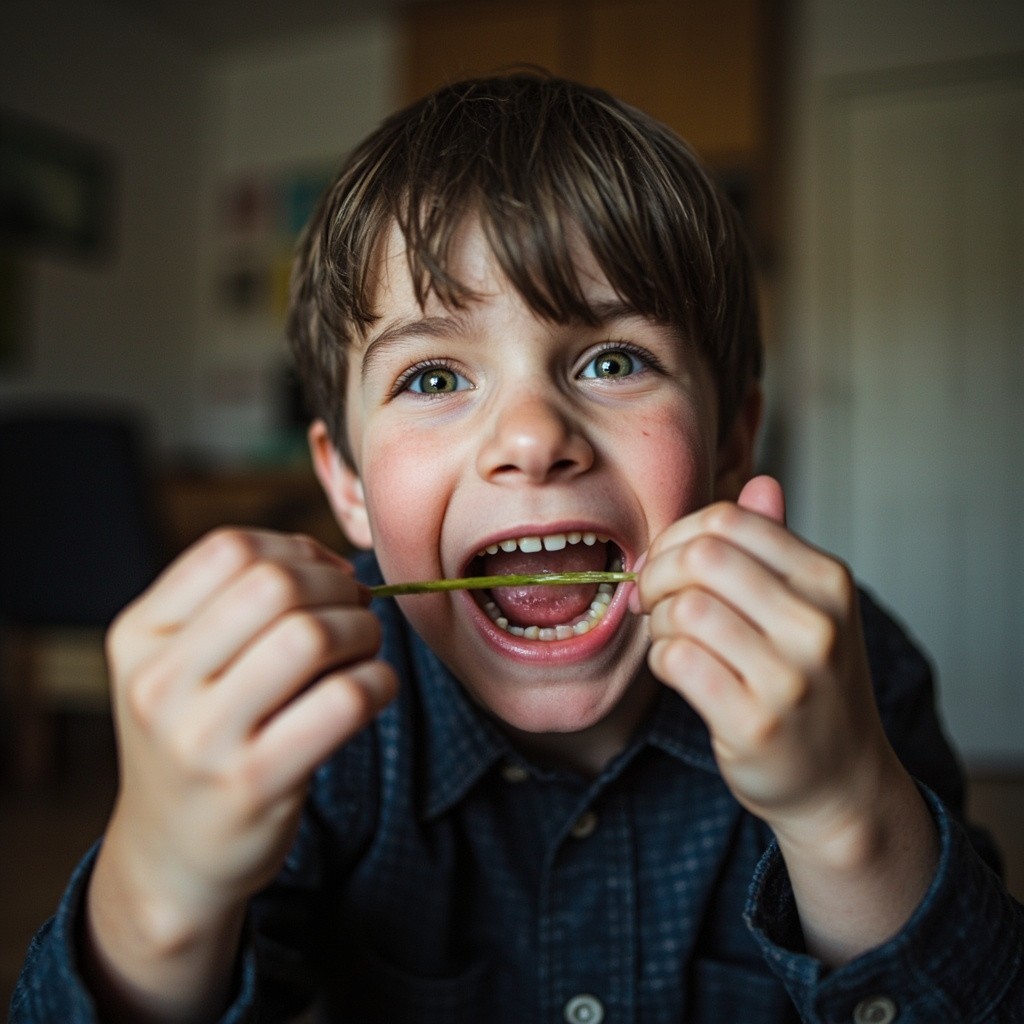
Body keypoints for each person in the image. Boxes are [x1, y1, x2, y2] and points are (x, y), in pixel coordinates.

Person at [12, 73, 1023, 1024]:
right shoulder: (314, 722)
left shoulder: (849, 674)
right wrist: (160, 881)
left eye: (612, 359)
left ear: (728, 445)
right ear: (348, 485)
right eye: (435, 378)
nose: (533, 436)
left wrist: (843, 810)